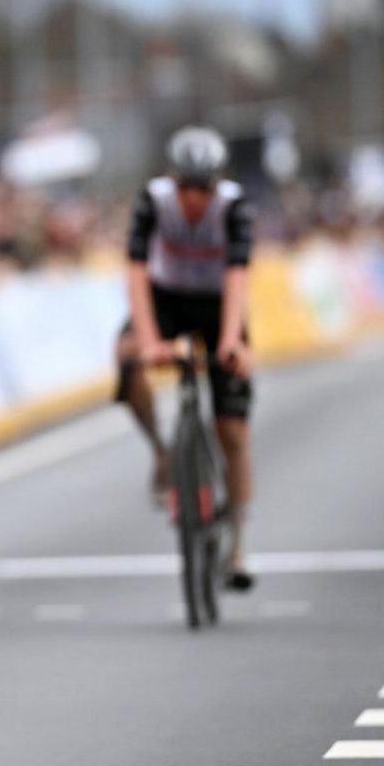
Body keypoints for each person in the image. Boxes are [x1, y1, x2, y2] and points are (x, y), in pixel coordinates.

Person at [114, 125, 257, 590]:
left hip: (219, 305)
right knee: (128, 354)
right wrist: (151, 340)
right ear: (173, 181)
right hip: (167, 297)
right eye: (186, 187)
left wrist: (232, 341)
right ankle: (161, 450)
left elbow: (238, 277)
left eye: (204, 187)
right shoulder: (152, 201)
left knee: (232, 430)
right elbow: (136, 272)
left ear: (217, 183)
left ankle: (235, 543)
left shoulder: (235, 207)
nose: (195, 198)